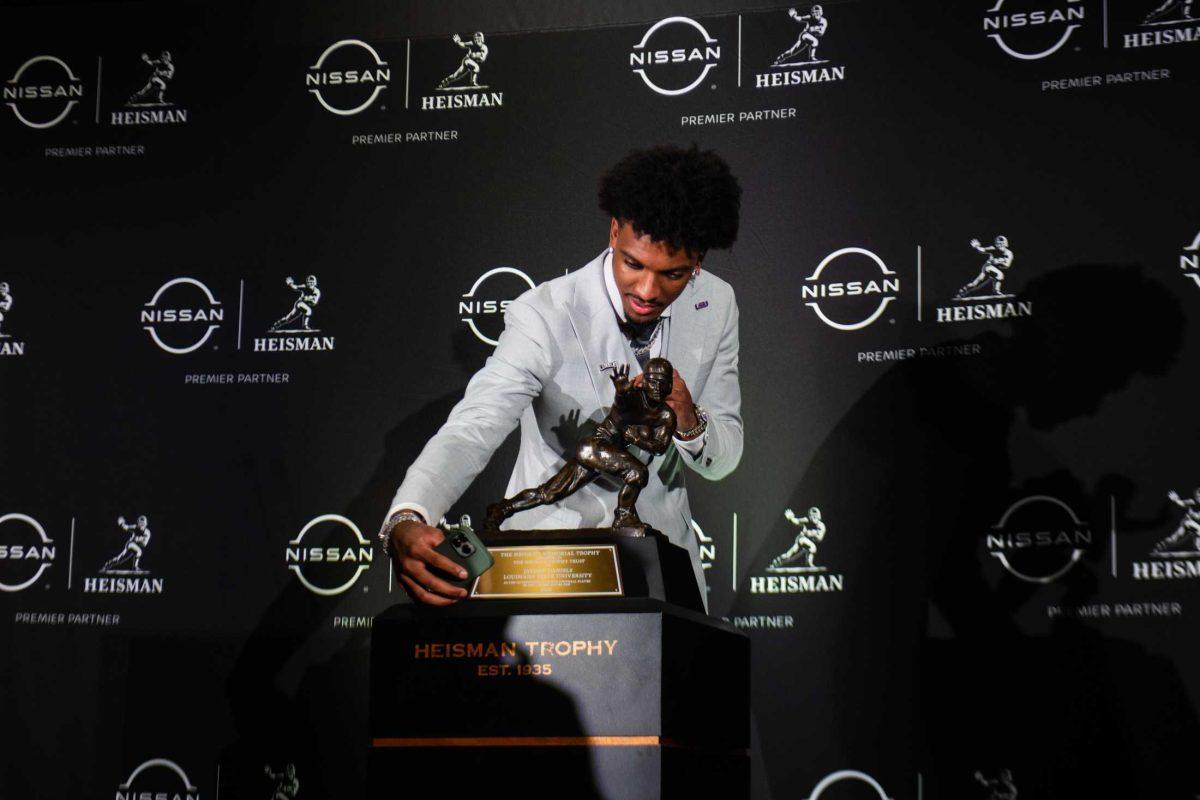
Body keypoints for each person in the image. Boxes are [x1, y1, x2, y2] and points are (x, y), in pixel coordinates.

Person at [381, 144, 743, 607]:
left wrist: (688, 416)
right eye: (633, 264)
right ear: (614, 232)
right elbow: (475, 426)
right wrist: (408, 514)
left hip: (660, 574)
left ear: (699, 261)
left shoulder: (716, 305)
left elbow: (725, 454)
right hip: (545, 567)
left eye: (673, 274)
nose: (648, 291)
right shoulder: (544, 314)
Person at [955, 235, 1014, 300]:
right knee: (998, 275)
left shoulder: (1009, 253)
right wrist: (977, 247)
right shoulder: (993, 249)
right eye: (998, 243)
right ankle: (963, 291)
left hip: (995, 269)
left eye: (1001, 243)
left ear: (1005, 244)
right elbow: (983, 250)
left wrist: (998, 262)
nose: (999, 245)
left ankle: (995, 291)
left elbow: (1007, 265)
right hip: (988, 267)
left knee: (976, 284)